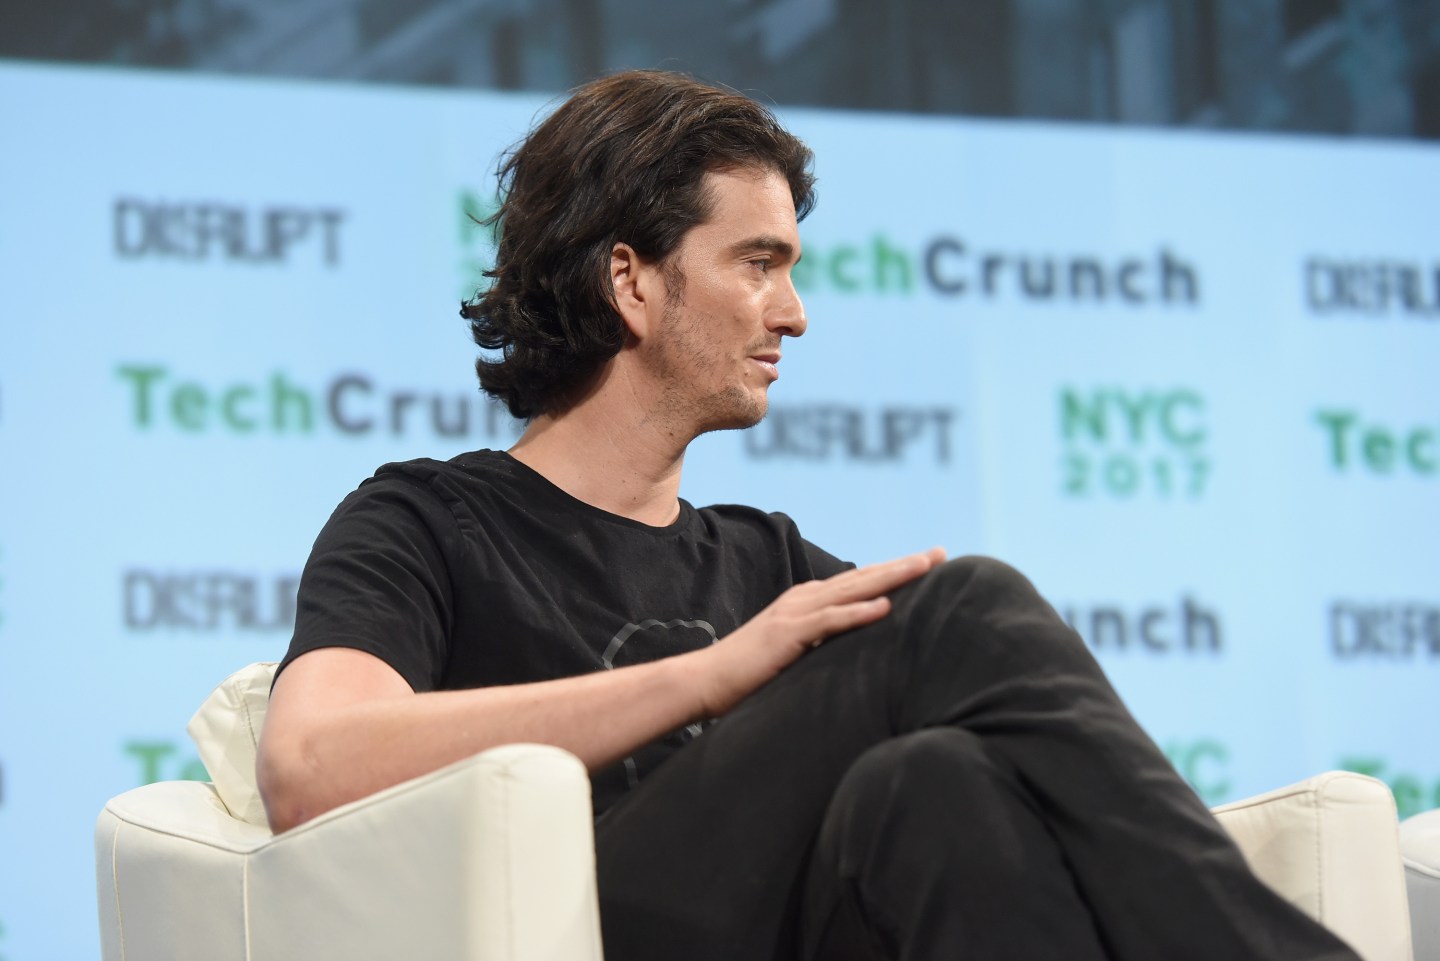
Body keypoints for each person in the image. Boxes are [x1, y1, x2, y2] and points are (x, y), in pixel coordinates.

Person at [256, 70, 1361, 961]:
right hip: (584, 931)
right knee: (952, 602)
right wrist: (708, 675)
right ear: (629, 283)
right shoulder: (429, 517)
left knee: (933, 788)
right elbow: (311, 764)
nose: (794, 312)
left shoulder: (767, 558)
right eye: (758, 263)